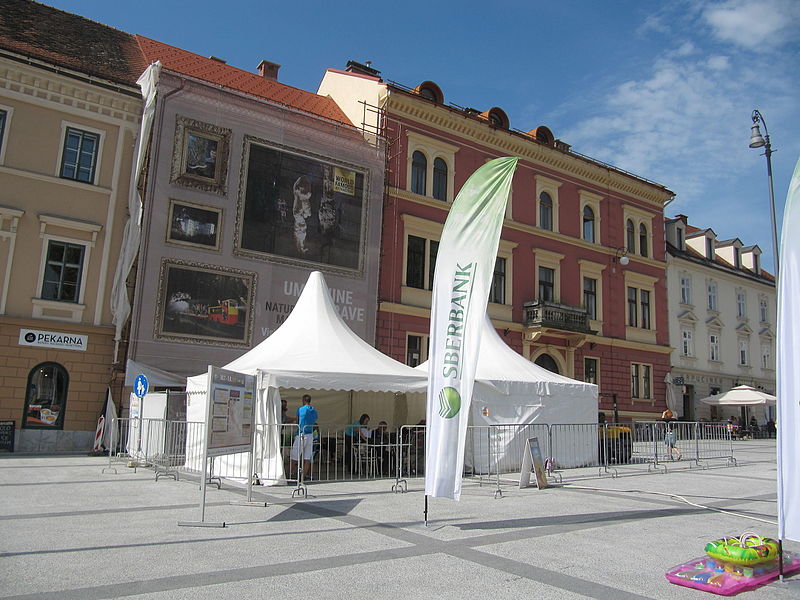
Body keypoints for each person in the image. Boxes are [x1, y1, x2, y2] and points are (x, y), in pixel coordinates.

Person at [289, 394, 317, 482]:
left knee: (294, 455)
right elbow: (315, 420)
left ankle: (290, 474)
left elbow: (297, 421)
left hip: (301, 433)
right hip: (310, 434)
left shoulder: (300, 409)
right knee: (307, 457)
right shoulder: (314, 410)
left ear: (303, 400)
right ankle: (303, 476)